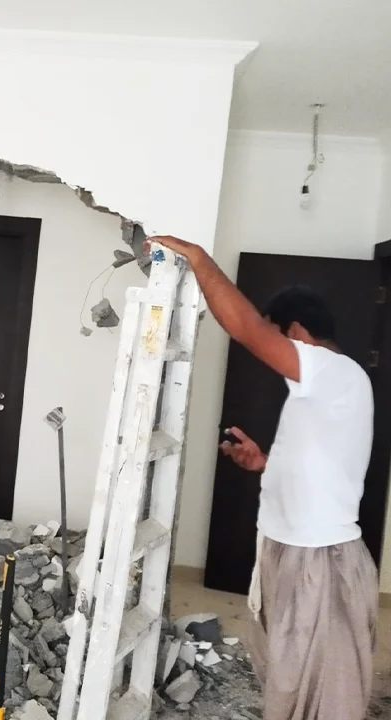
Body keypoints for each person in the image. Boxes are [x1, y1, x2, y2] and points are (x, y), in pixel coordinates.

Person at [145, 235, 378, 720]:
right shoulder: (326, 386)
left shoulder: (334, 371)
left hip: (320, 558)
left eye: (278, 339)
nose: (272, 355)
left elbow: (248, 330)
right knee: (289, 679)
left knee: (324, 696)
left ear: (295, 331)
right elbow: (327, 464)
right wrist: (264, 463)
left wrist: (199, 259)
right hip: (292, 549)